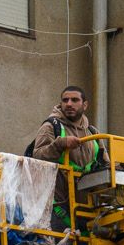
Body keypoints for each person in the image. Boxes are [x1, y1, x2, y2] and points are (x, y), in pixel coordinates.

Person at [30, 84, 103, 231]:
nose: (69, 104)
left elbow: (104, 164)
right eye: (65, 100)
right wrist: (60, 144)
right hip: (56, 208)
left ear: (85, 105)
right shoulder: (51, 126)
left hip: (85, 208)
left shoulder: (93, 133)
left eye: (74, 100)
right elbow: (36, 157)